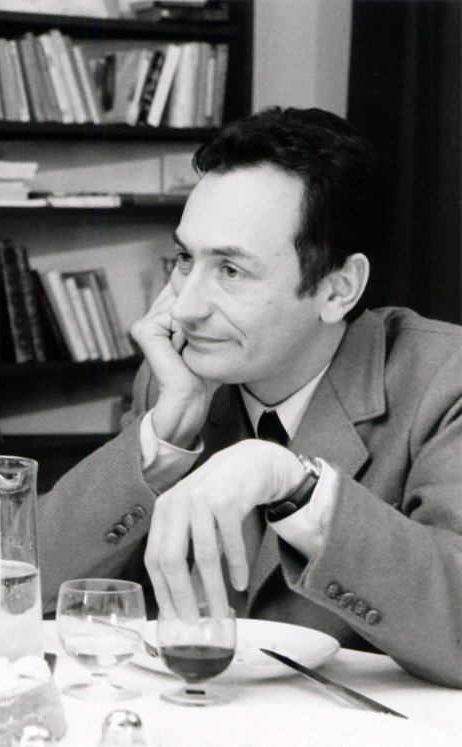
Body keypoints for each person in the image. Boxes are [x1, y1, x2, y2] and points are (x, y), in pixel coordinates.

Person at [37, 107, 461, 688]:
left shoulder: (443, 379)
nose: (187, 307)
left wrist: (296, 486)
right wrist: (163, 442)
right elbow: (26, 588)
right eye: (186, 259)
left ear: (337, 289)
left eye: (231, 270)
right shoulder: (177, 380)